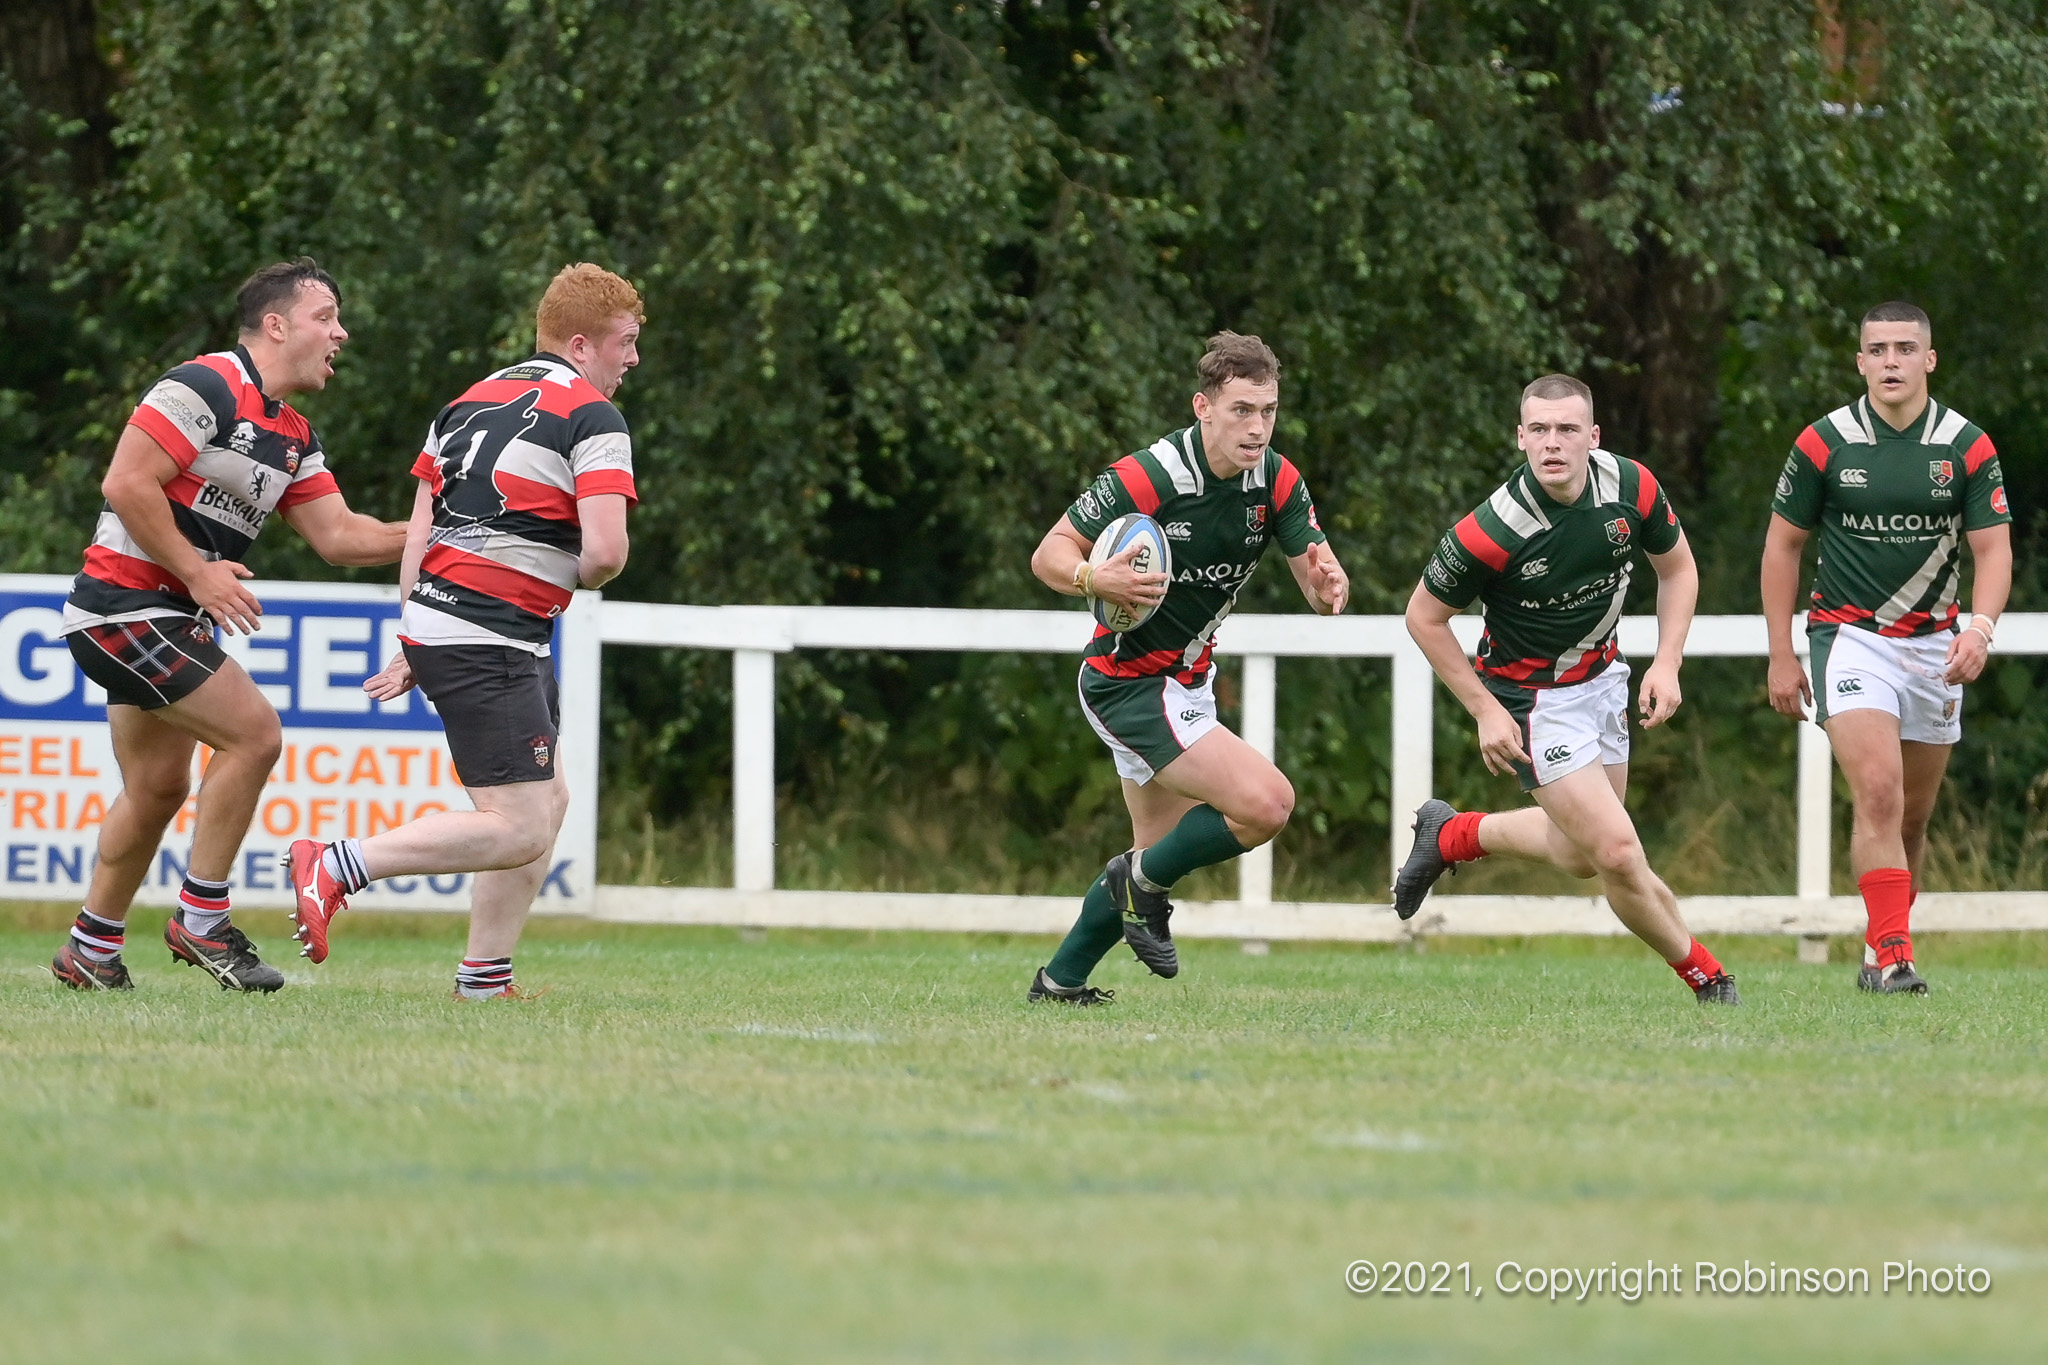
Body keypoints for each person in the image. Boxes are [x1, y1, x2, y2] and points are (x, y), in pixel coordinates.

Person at [282, 263, 642, 999]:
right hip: (495, 628)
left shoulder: (464, 403)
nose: (632, 358)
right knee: (518, 825)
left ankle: (484, 976)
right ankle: (338, 862)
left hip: (467, 621)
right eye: (625, 342)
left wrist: (417, 630)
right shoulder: (594, 416)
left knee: (550, 801)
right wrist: (549, 575)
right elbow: (605, 554)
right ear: (581, 344)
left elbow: (422, 532)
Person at [49, 259, 406, 993]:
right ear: (276, 325)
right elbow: (124, 481)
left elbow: (342, 537)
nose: (341, 332)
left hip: (161, 616)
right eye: (326, 316)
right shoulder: (206, 383)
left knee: (153, 787)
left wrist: (446, 531)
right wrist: (199, 571)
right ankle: (203, 919)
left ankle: (90, 947)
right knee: (257, 733)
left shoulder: (293, 435)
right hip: (124, 605)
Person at [1024, 331, 1349, 1004]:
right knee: (1267, 803)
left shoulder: (1278, 482)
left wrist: (1328, 584)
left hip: (1186, 681)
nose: (1257, 427)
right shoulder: (1152, 476)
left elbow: (1318, 583)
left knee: (1158, 850)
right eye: (1240, 410)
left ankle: (1060, 981)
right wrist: (1093, 575)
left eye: (1268, 410)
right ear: (1204, 407)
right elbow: (1048, 553)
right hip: (1128, 684)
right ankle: (1137, 885)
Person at [1393, 374, 1740, 1005]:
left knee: (1581, 855)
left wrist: (1667, 662)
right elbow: (1423, 617)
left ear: (1593, 436)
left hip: (1603, 680)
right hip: (1531, 700)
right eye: (1541, 431)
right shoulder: (1493, 529)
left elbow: (1679, 567)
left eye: (1568, 430)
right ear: (1520, 437)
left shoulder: (1631, 487)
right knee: (1614, 850)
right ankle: (1709, 978)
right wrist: (1486, 710)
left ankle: (1451, 837)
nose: (1554, 443)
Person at [1761, 302, 2010, 995]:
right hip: (1848, 638)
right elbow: (1783, 545)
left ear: (1929, 359)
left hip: (1935, 644)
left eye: (1906, 348)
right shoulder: (1824, 441)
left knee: (1912, 817)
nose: (1892, 360)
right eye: (1879, 349)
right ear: (1860, 361)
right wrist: (1782, 652)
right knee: (1877, 792)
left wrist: (1980, 628)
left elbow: (1993, 550)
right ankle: (1897, 954)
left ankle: (1879, 952)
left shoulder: (1966, 445)